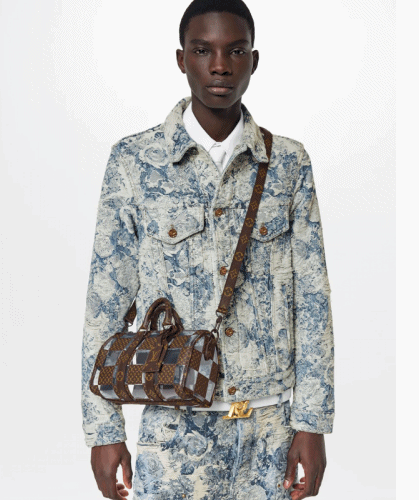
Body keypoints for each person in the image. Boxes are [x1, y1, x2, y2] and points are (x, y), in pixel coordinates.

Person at [81, 1, 335, 499]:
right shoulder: (135, 163)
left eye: (235, 51)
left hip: (271, 432)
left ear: (253, 60)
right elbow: (104, 303)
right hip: (172, 436)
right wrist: (103, 430)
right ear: (182, 59)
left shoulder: (288, 163)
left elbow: (313, 301)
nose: (220, 66)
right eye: (203, 51)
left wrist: (312, 422)